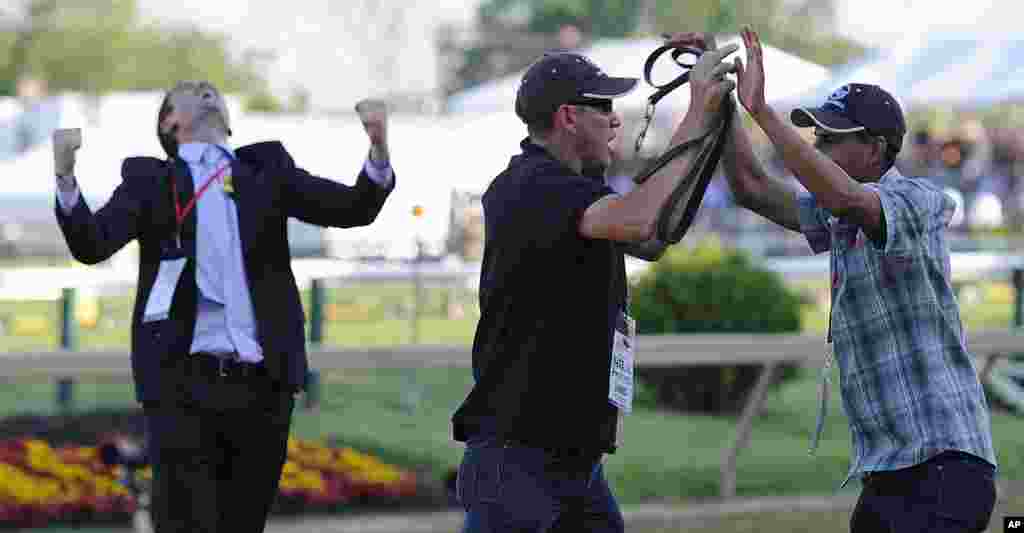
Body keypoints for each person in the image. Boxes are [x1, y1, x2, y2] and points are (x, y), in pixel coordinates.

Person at [53, 81, 396, 533]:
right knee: (182, 523)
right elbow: (92, 243)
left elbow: (352, 208)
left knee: (243, 523)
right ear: (169, 123)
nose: (206, 92)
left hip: (262, 387)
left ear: (229, 123)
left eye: (212, 91)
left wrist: (378, 148)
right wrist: (65, 176)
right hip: (181, 386)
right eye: (192, 91)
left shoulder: (268, 172)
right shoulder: (151, 182)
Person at [450, 39, 739, 532]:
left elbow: (654, 235)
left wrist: (709, 123)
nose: (615, 119)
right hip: (519, 457)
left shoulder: (577, 190)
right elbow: (639, 218)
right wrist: (694, 111)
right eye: (603, 107)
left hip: (571, 460)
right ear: (568, 117)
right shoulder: (528, 185)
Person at [717, 27, 997, 532]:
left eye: (830, 138)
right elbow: (752, 188)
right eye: (817, 137)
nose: (817, 146)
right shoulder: (837, 213)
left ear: (876, 149)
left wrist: (764, 113)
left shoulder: (919, 200)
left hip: (945, 467)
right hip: (888, 474)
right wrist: (723, 100)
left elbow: (846, 197)